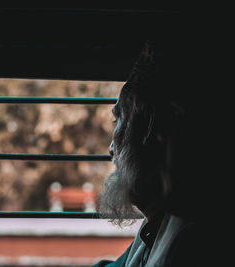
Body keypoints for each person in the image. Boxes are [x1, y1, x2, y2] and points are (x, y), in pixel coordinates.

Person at [94, 39, 213, 266]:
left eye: (119, 121)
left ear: (154, 132)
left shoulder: (194, 243)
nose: (111, 149)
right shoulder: (160, 221)